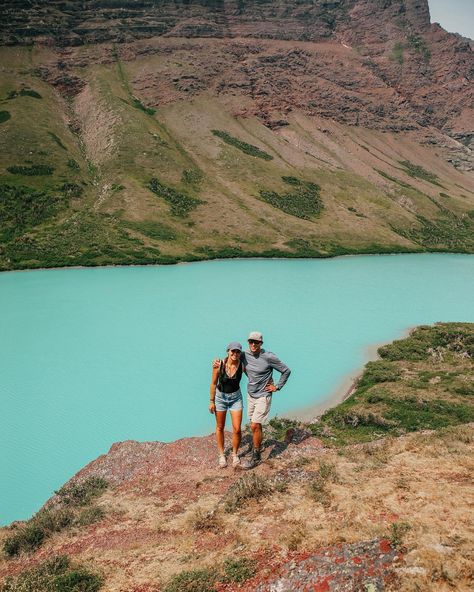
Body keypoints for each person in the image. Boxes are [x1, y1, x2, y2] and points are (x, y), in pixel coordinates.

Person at [213, 331, 291, 469]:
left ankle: (256, 456)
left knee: (255, 424)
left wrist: (277, 386)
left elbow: (286, 370)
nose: (253, 344)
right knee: (254, 424)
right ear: (248, 343)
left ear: (261, 343)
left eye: (256, 342)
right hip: (251, 395)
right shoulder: (244, 355)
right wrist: (218, 362)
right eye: (251, 342)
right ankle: (257, 446)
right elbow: (232, 358)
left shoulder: (269, 357)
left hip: (264, 394)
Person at [209, 341, 245, 468]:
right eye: (233, 351)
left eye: (238, 351)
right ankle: (221, 455)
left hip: (236, 398)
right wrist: (211, 401)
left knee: (237, 428)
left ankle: (235, 454)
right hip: (220, 398)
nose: (235, 353)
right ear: (228, 352)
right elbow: (213, 383)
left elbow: (254, 376)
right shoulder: (219, 365)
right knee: (220, 427)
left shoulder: (242, 365)